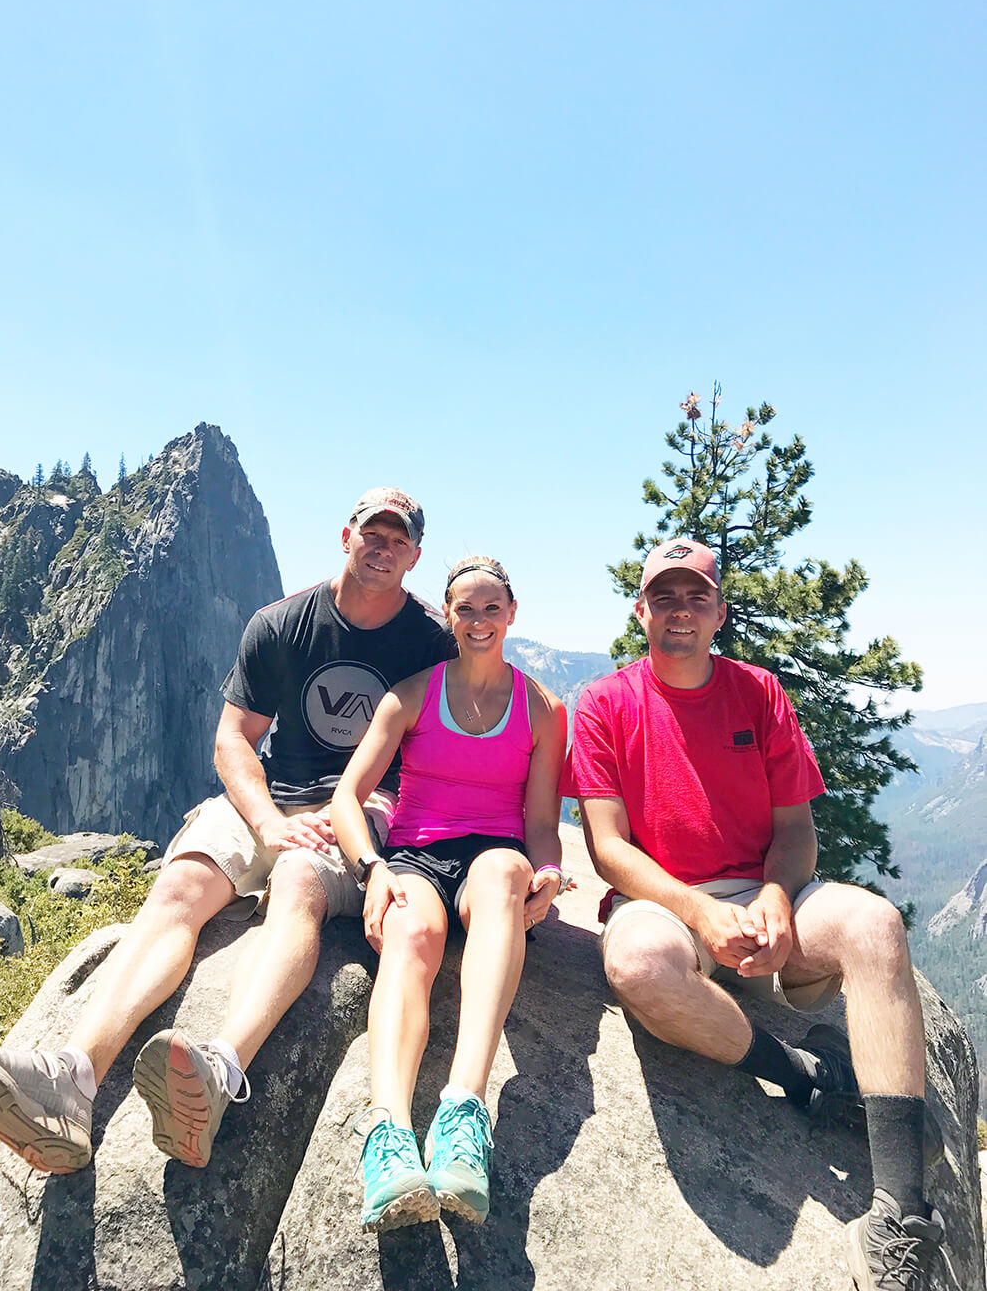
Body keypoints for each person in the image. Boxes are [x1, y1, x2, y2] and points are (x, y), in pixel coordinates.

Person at [0, 487, 454, 1174]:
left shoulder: (430, 643)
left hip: (364, 808)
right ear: (345, 534)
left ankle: (220, 1073)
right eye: (372, 531)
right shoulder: (281, 624)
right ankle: (70, 1079)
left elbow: (471, 731)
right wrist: (265, 820)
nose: (382, 546)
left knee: (296, 882)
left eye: (397, 539)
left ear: (414, 556)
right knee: (180, 885)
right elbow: (233, 741)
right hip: (270, 800)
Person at [564, 538, 956, 1291]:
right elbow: (608, 848)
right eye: (666, 597)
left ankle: (904, 1214)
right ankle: (807, 1075)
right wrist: (698, 915)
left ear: (720, 613)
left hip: (769, 897)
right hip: (665, 905)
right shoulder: (607, 703)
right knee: (637, 963)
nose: (681, 611)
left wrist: (777, 897)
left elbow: (795, 828)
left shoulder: (760, 693)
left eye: (697, 597)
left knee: (875, 926)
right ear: (640, 609)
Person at [331, 555, 568, 1233]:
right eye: (466, 608)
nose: (479, 620)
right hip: (413, 854)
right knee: (413, 933)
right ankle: (389, 1134)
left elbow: (543, 825)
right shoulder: (408, 696)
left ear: (512, 614)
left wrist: (545, 874)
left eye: (492, 608)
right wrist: (372, 867)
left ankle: (465, 1111)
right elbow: (349, 797)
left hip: (492, 854)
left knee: (503, 878)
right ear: (448, 615)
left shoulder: (542, 709)